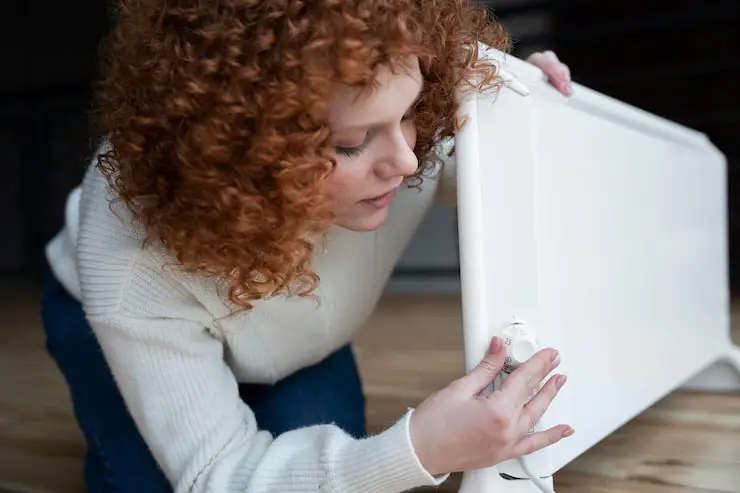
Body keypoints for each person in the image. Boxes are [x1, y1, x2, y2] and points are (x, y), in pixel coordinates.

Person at [41, 0, 575, 492]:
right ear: (242, 151)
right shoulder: (132, 268)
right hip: (104, 318)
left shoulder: (398, 133)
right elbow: (216, 475)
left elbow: (491, 180)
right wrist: (419, 448)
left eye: (410, 111)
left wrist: (527, 116)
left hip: (299, 336)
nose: (408, 162)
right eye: (350, 144)